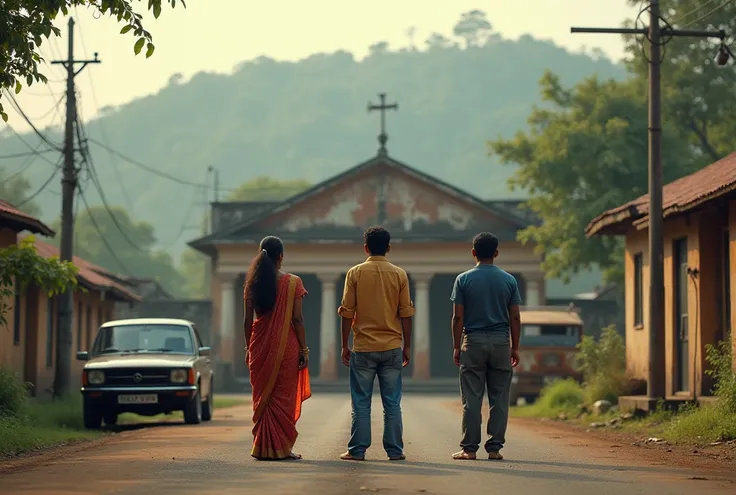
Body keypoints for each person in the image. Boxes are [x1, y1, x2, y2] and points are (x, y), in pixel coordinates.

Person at [337, 226, 415, 461]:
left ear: (366, 248)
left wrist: (344, 344)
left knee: (361, 403)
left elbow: (347, 312)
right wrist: (407, 346)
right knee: (392, 403)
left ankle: (357, 450)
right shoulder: (399, 274)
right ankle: (395, 451)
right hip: (391, 346)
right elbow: (406, 314)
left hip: (363, 347)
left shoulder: (355, 273)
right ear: (389, 248)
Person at [450, 232, 521, 461]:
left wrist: (456, 346)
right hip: (501, 342)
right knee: (499, 398)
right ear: (496, 253)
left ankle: (469, 449)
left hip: (473, 341)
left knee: (472, 398)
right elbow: (515, 317)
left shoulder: (463, 279)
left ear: (473, 253)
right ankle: (494, 448)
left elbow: (457, 318)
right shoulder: (509, 280)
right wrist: (515, 347)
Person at [243, 236, 311, 460]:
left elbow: (247, 321)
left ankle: (261, 447)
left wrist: (248, 348)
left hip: (258, 346)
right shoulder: (293, 282)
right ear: (280, 256)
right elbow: (297, 320)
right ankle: (282, 448)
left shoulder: (252, 282)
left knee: (264, 395)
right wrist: (304, 350)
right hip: (286, 347)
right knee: (283, 397)